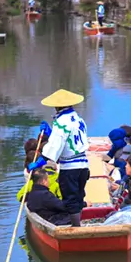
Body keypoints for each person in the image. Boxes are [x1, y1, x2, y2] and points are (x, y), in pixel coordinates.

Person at [28, 88, 90, 227]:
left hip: (70, 168)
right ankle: (78, 223)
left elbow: (55, 146)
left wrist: (40, 161)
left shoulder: (61, 122)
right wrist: (51, 132)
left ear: (57, 106)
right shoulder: (78, 119)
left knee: (70, 199)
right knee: (79, 196)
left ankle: (76, 228)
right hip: (83, 165)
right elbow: (67, 139)